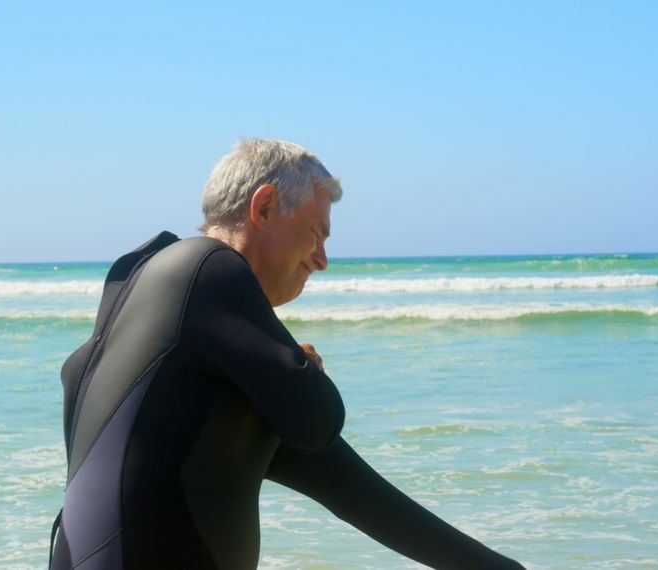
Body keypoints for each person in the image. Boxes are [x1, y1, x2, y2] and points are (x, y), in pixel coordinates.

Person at [50, 139, 524, 569]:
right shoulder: (206, 268)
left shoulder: (156, 301)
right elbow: (319, 418)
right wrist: (303, 371)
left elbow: (348, 486)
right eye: (316, 234)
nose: (322, 259)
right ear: (265, 206)